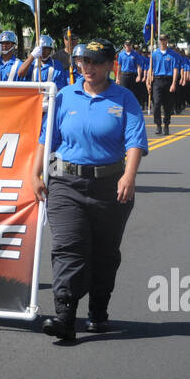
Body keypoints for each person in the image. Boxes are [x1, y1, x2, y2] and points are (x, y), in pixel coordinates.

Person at [36, 39, 147, 341]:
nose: (88, 67)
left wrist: (129, 175)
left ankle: (98, 311)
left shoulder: (124, 99)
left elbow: (135, 140)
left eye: (96, 62)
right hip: (65, 184)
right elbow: (47, 137)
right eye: (84, 61)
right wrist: (36, 172)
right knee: (68, 250)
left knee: (104, 254)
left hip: (110, 187)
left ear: (111, 65)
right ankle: (65, 317)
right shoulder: (65, 96)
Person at [148, 34, 179, 136]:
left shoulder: (172, 54)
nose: (162, 41)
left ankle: (166, 124)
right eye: (160, 39)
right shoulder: (154, 54)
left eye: (164, 39)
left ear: (167, 40)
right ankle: (158, 125)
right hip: (157, 81)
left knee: (167, 105)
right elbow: (150, 69)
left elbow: (175, 70)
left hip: (168, 80)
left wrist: (174, 83)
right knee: (156, 104)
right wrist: (148, 82)